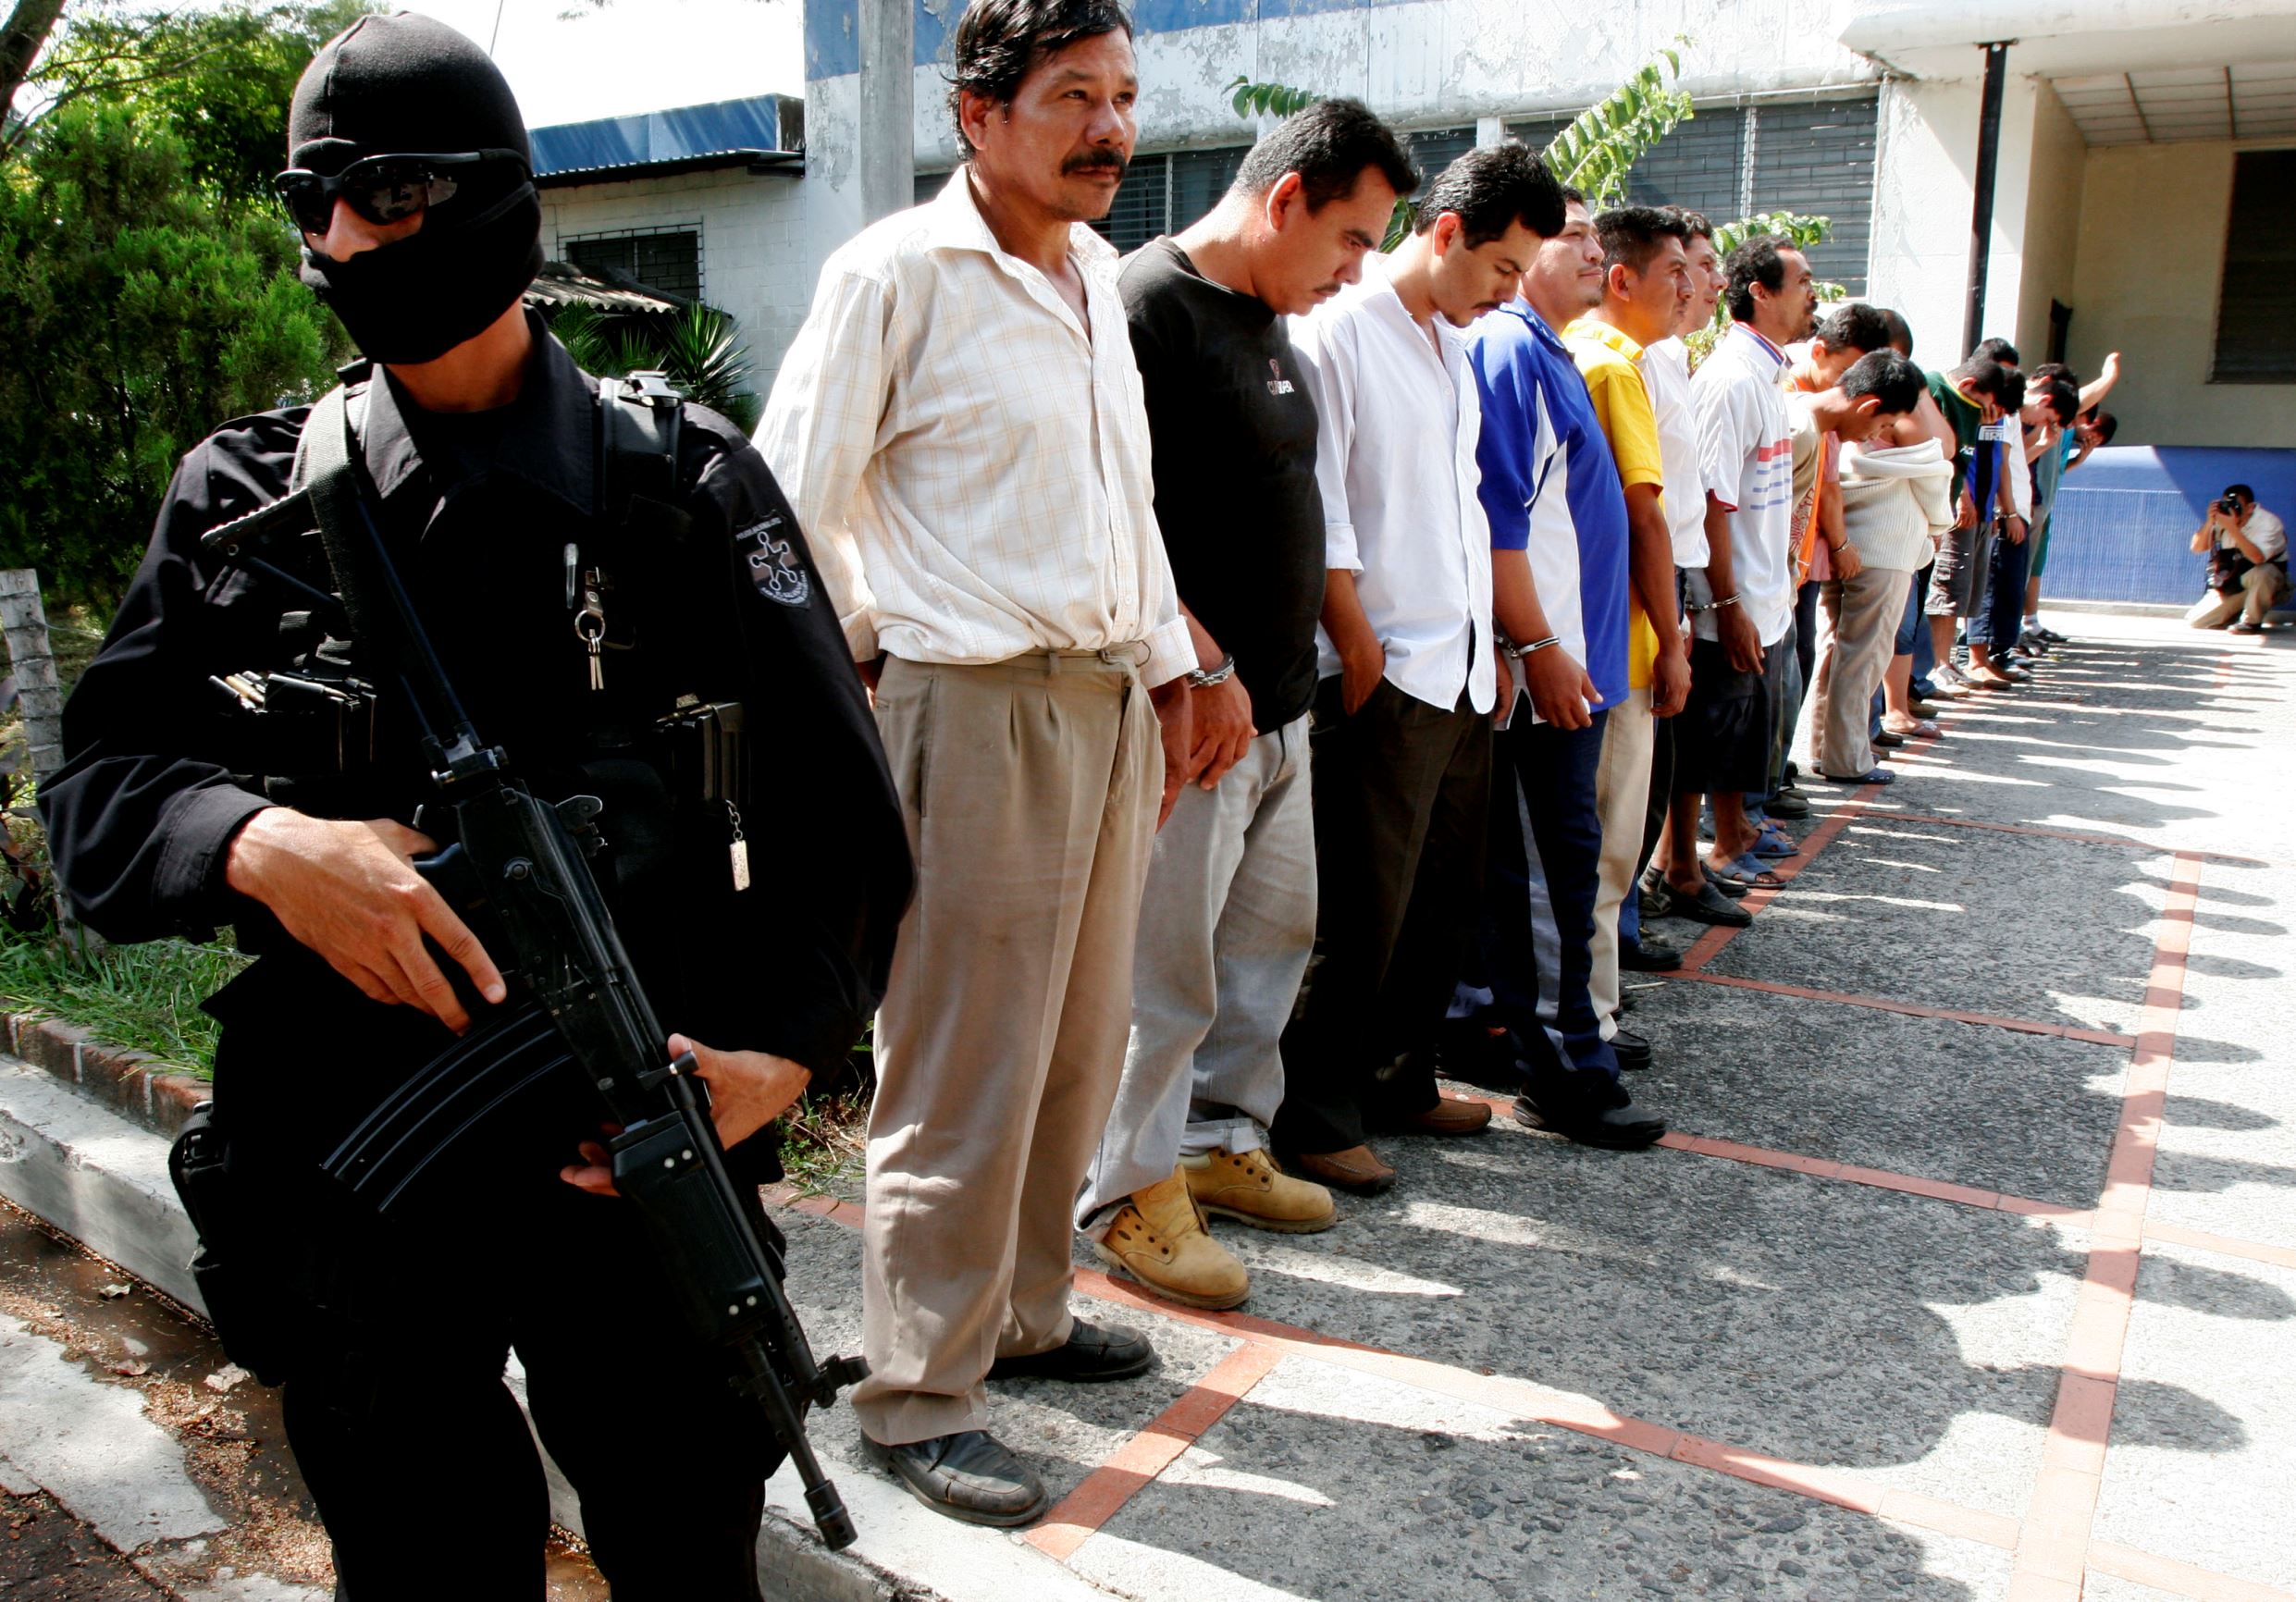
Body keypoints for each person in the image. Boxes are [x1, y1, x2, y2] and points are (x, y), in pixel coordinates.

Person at [36, 16, 912, 1596]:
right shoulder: (244, 504)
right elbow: (101, 789)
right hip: (359, 1177)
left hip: (631, 1150)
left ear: (502, 203)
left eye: (388, 195)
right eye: (314, 205)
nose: (343, 240)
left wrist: (788, 1049)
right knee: (425, 1559)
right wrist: (260, 844)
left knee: (685, 1553)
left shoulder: (688, 493)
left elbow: (841, 817)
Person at [757, 0, 1192, 1525]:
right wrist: (874, 656)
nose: (1110, 129)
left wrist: (1170, 663)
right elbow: (787, 507)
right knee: (958, 1060)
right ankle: (917, 1388)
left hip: (1103, 703)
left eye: (1126, 96)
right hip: (967, 702)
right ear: (978, 115)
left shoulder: (1089, 282)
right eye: (1074, 95)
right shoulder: (894, 274)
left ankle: (1023, 1313)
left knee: (1078, 1043)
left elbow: (1120, 509)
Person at [1076, 98, 1418, 1312]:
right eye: (1351, 240)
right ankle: (1123, 1195)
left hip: (1278, 717)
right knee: (1161, 974)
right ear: (1285, 202)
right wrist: (1196, 667)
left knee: (1263, 951)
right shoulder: (1142, 310)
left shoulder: (1270, 323)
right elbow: (1113, 521)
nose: (1355, 271)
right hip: (1191, 716)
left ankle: (1220, 1143)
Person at [1276, 142, 1559, 1194]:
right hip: (1383, 670)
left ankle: (1397, 1077)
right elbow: (1322, 503)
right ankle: (1312, 1114)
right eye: (1502, 268)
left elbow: (1460, 510)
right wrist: (1352, 641)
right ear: (1444, 233)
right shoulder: (1340, 332)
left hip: (1462, 668)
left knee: (1438, 901)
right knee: (1358, 911)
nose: (1510, 291)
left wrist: (1503, 646)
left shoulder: (1450, 342)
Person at [1560, 204, 1693, 1082]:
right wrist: (1674, 640)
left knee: (1600, 845)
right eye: (1677, 270)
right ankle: (1591, 1014)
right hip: (1622, 648)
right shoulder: (1611, 368)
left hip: (1600, 639)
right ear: (1622, 279)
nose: (1691, 288)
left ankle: (1592, 1002)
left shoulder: (1602, 360)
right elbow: (1646, 515)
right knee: (1609, 845)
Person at [1652, 236, 1813, 919]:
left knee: (1728, 741)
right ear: (1763, 293)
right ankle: (1680, 867)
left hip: (1759, 597)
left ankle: (1702, 858)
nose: (1814, 294)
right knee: (1698, 748)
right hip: (1729, 602)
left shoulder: (1768, 377)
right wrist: (1727, 602)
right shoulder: (1728, 380)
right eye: (1802, 281)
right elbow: (1711, 501)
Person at [1792, 351, 1930, 783]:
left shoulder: (1817, 420)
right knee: (1862, 656)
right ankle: (1847, 758)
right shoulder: (1813, 424)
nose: (1881, 434)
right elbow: (1938, 450)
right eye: (1884, 425)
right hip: (1874, 545)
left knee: (1838, 651)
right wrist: (1843, 543)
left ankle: (1826, 750)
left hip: (1845, 543)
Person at [1921, 355, 2025, 695]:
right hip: (1956, 509)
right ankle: (1939, 664)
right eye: (1991, 405)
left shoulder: (1985, 415)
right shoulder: (1940, 394)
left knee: (1968, 590)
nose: (1994, 412)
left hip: (1981, 509)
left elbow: (1992, 459)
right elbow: (1958, 457)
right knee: (1948, 586)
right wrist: (1963, 496)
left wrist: (1995, 506)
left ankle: (1948, 661)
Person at [2187, 484, 2290, 634]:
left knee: (2264, 572)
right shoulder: (2223, 519)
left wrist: (2232, 528)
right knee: (2197, 621)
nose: (2231, 509)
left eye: (2236, 505)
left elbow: (2258, 559)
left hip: (2266, 580)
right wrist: (2210, 521)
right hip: (2234, 581)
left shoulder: (2268, 522)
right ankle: (2238, 611)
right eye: (2227, 505)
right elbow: (2197, 548)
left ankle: (2250, 622)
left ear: (2250, 508)